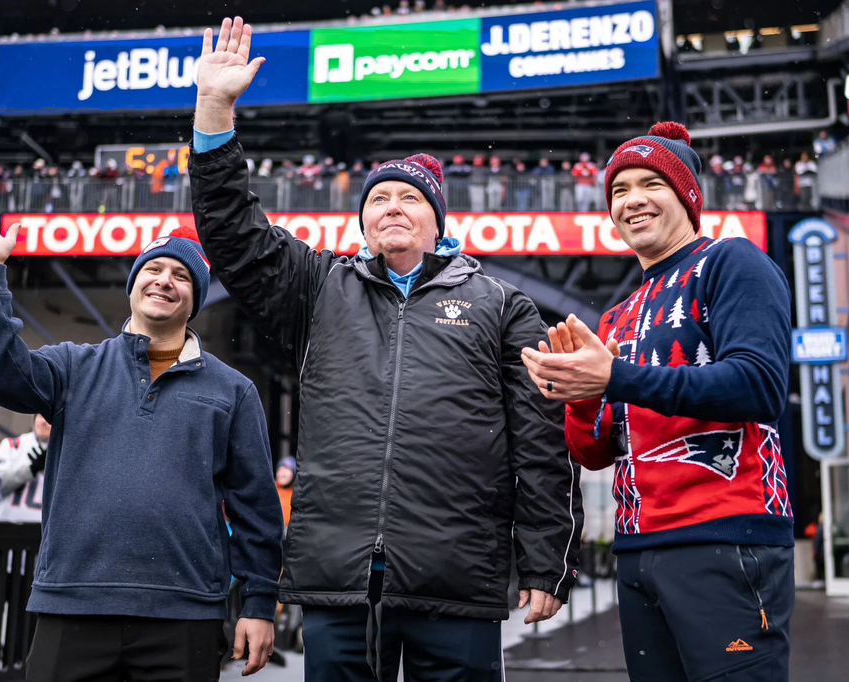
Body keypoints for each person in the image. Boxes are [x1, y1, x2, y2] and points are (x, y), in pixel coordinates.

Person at [190, 17, 581, 682]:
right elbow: (234, 233)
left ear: (438, 221)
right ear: (363, 221)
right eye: (379, 199)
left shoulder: (501, 306)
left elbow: (539, 443)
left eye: (409, 198)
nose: (392, 207)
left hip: (456, 582)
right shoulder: (318, 287)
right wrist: (215, 109)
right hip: (338, 582)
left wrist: (546, 560)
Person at [0, 196, 283, 681]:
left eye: (181, 275)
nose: (164, 280)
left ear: (196, 297)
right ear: (133, 285)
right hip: (73, 602)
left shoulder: (233, 390)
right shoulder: (72, 366)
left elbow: (256, 506)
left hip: (184, 612)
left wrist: (258, 603)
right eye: (153, 269)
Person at [521, 122, 794, 682]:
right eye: (619, 190)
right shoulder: (617, 314)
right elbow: (596, 454)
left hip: (726, 537)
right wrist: (578, 394)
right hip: (638, 549)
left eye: (651, 184)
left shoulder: (731, 262)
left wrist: (616, 376)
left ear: (688, 197)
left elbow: (759, 386)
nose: (633, 200)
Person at [0, 413, 51, 522]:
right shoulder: (12, 445)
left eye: (48, 418)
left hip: (42, 533)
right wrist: (30, 470)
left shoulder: (68, 453)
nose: (43, 422)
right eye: (40, 416)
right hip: (4, 526)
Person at [274, 456, 295, 528]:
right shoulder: (270, 489)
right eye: (280, 469)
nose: (282, 473)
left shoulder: (296, 493)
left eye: (286, 469)